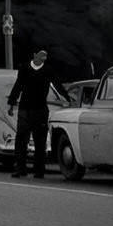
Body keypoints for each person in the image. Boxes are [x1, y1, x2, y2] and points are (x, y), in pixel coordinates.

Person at [6, 49, 68, 179]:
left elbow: (57, 84)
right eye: (41, 54)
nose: (43, 57)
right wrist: (11, 103)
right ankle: (20, 168)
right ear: (34, 55)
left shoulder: (48, 70)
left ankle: (39, 169)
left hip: (40, 109)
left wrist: (67, 98)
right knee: (22, 139)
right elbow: (18, 85)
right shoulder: (25, 68)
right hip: (25, 109)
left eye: (45, 55)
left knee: (40, 140)